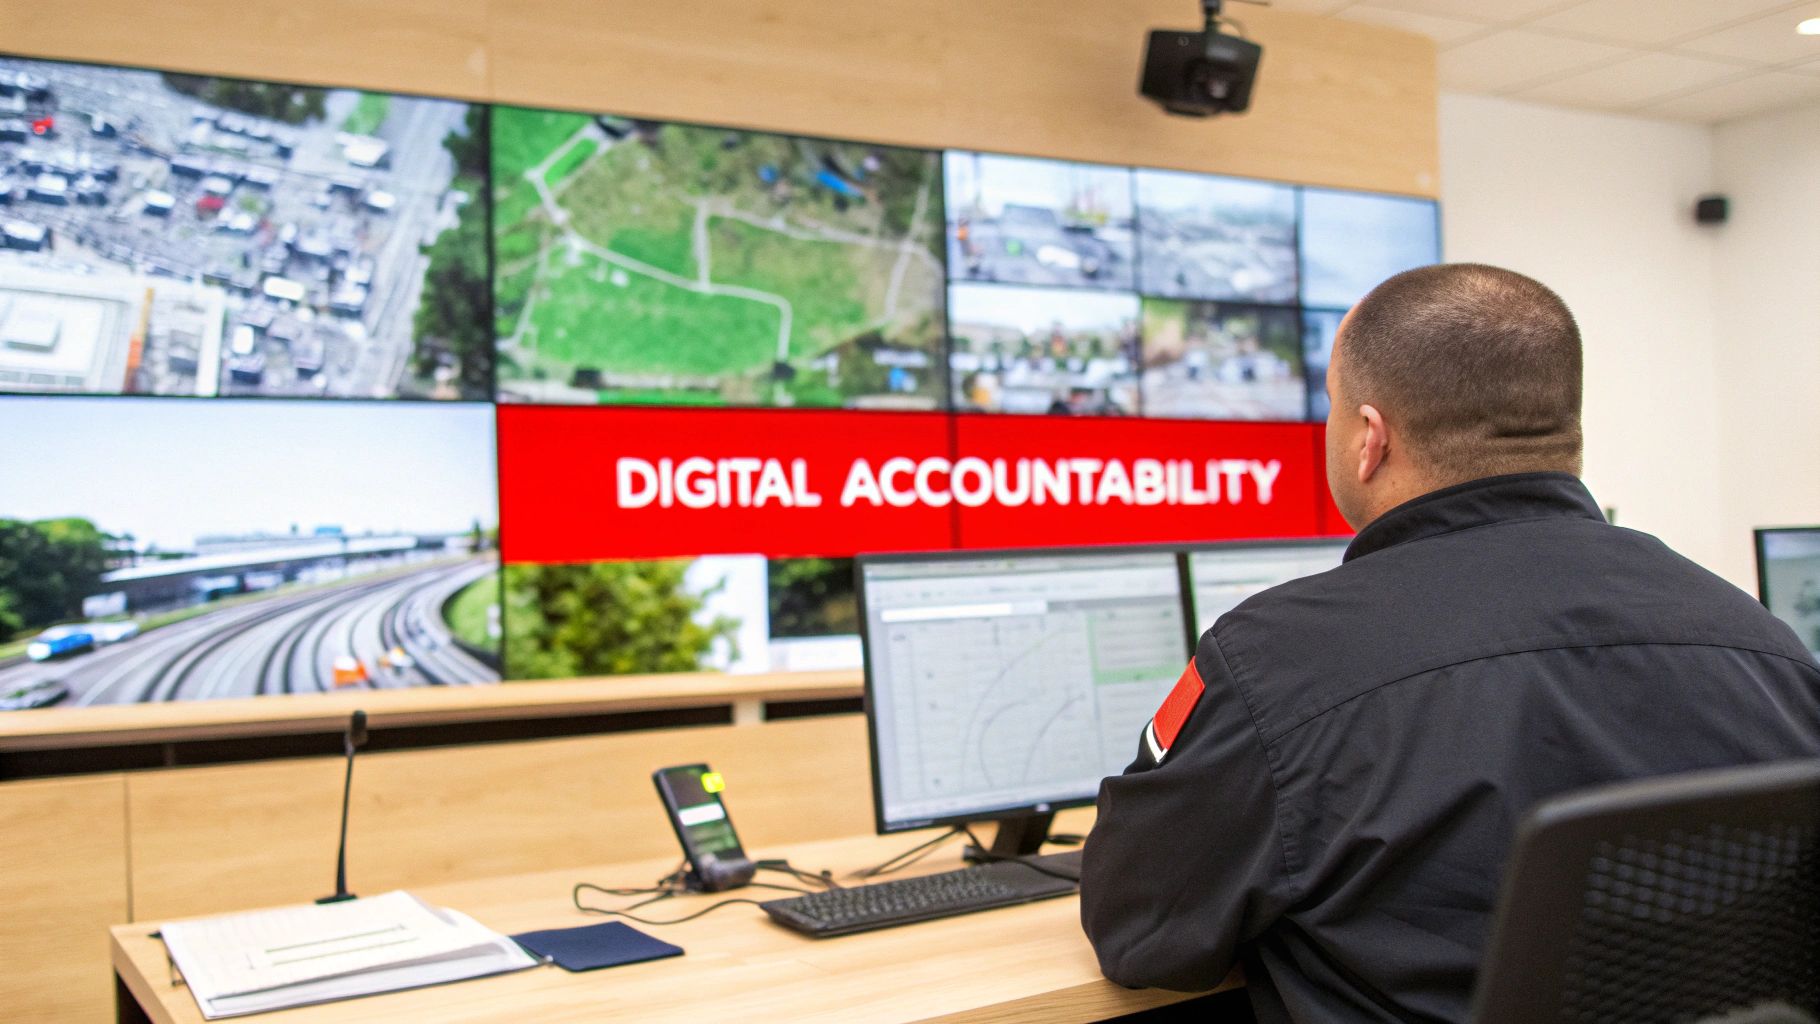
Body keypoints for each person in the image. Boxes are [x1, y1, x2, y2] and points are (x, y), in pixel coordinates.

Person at [1079, 264, 1820, 1023]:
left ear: (1369, 439)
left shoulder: (1275, 661)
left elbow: (1142, 933)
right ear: (1566, 432)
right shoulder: (1766, 644)